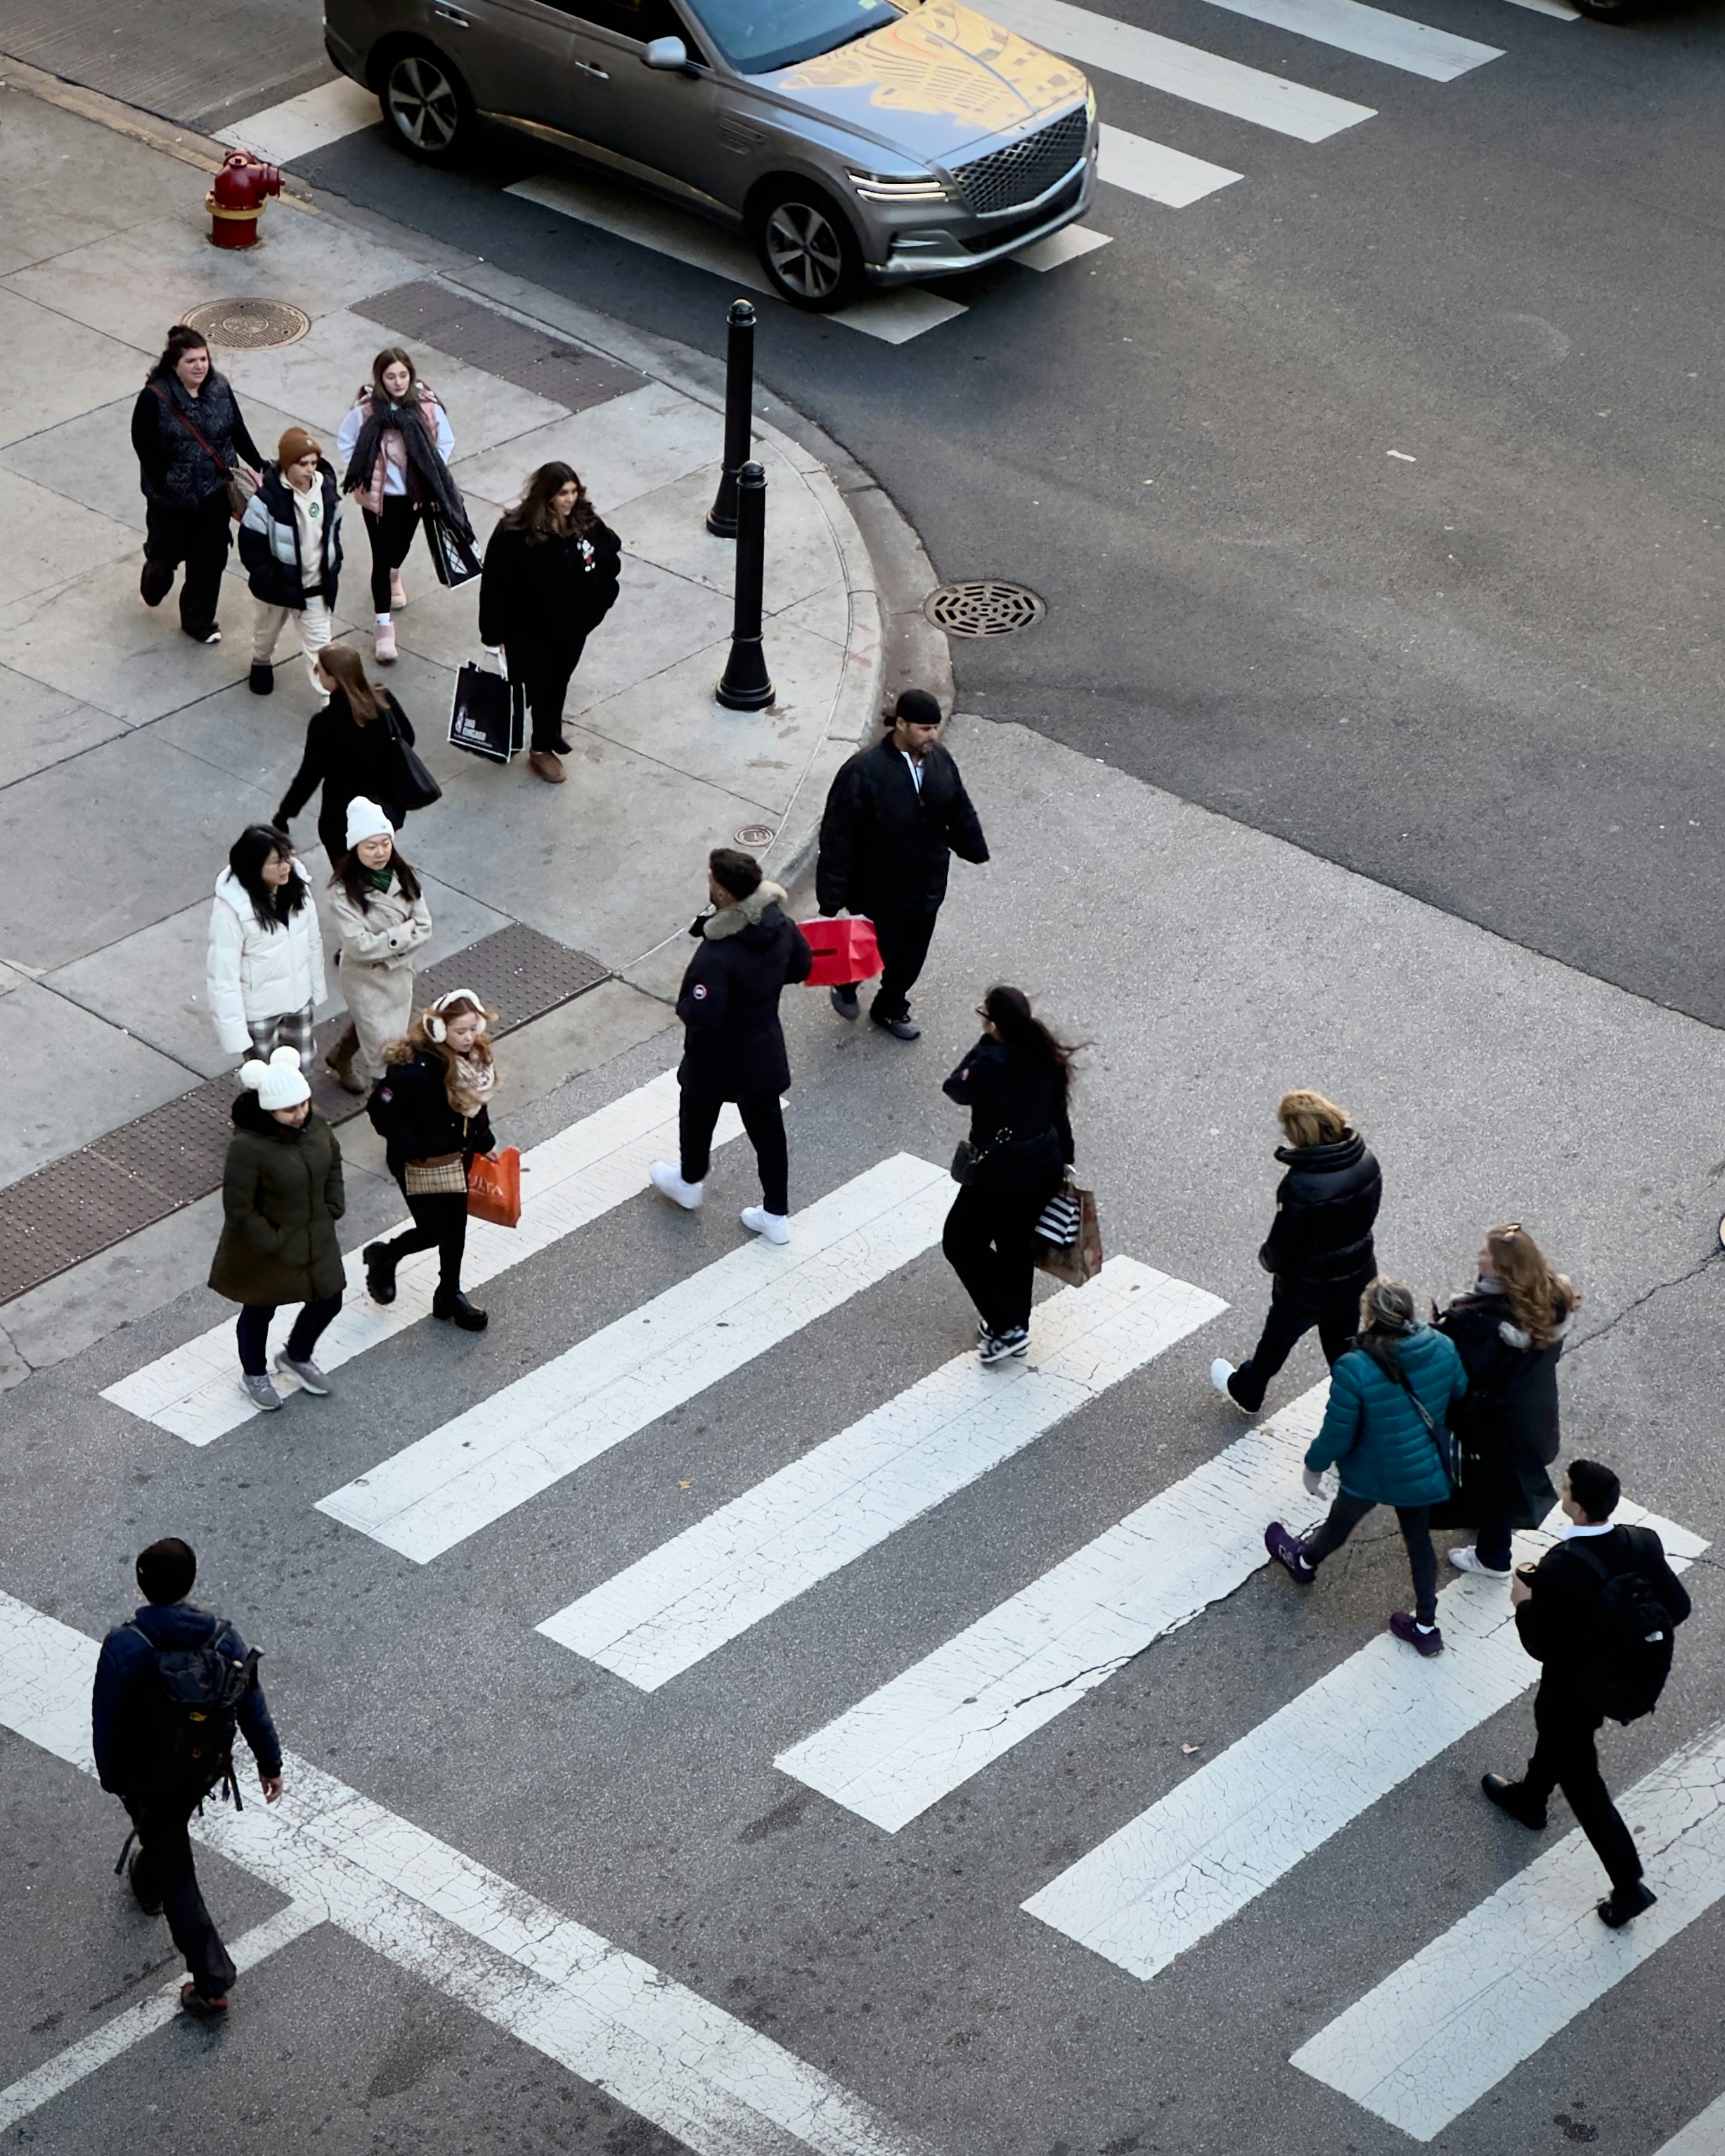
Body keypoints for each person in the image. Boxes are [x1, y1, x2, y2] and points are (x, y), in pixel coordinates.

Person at [1482, 1460, 1691, 1928]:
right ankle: (1530, 1799)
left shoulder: (1562, 1567)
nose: (1561, 1489)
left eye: (1566, 1487)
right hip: (1609, 1683)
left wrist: (1523, 1604)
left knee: (1584, 1787)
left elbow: (1542, 1644)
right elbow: (1678, 1606)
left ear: (1576, 1506)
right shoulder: (1642, 1542)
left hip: (1571, 1691)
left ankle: (1628, 1886)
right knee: (1559, 1744)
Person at [92, 1537, 283, 2020]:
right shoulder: (223, 1639)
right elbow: (251, 1705)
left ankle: (212, 1983)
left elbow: (107, 1722)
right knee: (164, 1839)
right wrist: (270, 1764)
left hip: (145, 1778)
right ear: (190, 1581)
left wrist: (114, 1779)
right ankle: (146, 1880)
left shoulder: (125, 1646)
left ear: (142, 1585)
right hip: (202, 1767)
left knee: (174, 1864)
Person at [1265, 1277, 1468, 1656]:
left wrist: (1314, 1466)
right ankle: (1426, 1626)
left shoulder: (1355, 1367)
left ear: (1371, 1317)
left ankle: (1303, 1561)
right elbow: (1458, 1391)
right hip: (1419, 1469)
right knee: (1419, 1541)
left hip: (1369, 1472)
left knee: (1338, 1527)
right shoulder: (1442, 1345)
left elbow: (1337, 1433)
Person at [649, 849, 812, 1245]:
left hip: (715, 1058)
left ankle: (689, 1181)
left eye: (712, 879)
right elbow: (802, 966)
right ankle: (775, 1214)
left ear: (722, 893)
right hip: (762, 1053)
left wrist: (684, 1006)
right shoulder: (780, 925)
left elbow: (702, 1013)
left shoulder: (717, 955)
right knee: (769, 1134)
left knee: (697, 1114)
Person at [814, 689, 989, 1042]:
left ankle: (890, 1007)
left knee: (911, 957)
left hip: (928, 883)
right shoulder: (863, 772)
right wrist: (831, 897)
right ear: (901, 724)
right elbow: (837, 835)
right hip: (881, 887)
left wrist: (974, 847)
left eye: (935, 728)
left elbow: (958, 807)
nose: (932, 736)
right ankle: (846, 981)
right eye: (925, 728)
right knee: (876, 947)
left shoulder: (940, 761)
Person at [1211, 1089, 1382, 1415]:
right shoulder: (1366, 1161)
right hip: (1354, 1278)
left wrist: (1268, 1259)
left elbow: (1282, 1246)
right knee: (1342, 1350)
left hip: (1305, 1289)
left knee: (1275, 1343)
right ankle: (1359, 1412)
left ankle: (1249, 1390)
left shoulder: (1302, 1185)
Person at [941, 985, 1076, 1364]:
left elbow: (955, 1087)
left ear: (994, 1023)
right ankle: (1014, 1320)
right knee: (1014, 1245)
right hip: (1044, 1168)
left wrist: (985, 1043)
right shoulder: (1043, 1052)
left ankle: (1007, 1328)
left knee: (960, 1242)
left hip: (999, 1175)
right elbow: (1058, 1112)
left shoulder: (991, 1062)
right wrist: (1066, 1159)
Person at [1433, 1224, 1577, 1578]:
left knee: (1493, 1485)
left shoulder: (1480, 1324)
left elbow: (1460, 1371)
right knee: (1504, 1481)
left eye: (1486, 1253)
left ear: (1502, 1270)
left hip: (1496, 1422)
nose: (1479, 1255)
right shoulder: (1552, 1299)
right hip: (1534, 1413)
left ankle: (1493, 1558)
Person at [208, 1048, 346, 1409]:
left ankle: (297, 1355)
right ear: (269, 1109)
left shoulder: (315, 1123)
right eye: (289, 1109)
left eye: (303, 1104)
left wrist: (334, 1203)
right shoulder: (247, 1147)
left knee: (329, 1299)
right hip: (268, 1249)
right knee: (259, 1311)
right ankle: (253, 1374)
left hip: (315, 1235)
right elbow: (239, 1207)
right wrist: (274, 1240)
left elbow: (333, 1160)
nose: (300, 1114)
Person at [477, 461, 623, 786]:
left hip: (571, 629)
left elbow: (610, 553)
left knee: (555, 685)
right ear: (546, 496)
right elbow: (495, 583)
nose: (570, 500)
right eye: (562, 494)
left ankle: (543, 746)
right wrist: (492, 633)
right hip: (528, 629)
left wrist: (600, 597)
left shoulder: (584, 522)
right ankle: (508, 734)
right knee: (528, 684)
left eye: (573, 492)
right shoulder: (515, 533)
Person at [364, 989, 499, 1329]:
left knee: (455, 1228)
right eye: (460, 1031)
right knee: (433, 1230)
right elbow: (381, 1111)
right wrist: (416, 1150)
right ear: (438, 1030)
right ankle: (385, 1255)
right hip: (419, 1163)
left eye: (473, 1028)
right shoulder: (411, 1070)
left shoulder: (473, 1059)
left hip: (457, 1156)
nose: (469, 1037)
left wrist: (483, 1141)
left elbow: (475, 1104)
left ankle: (449, 1293)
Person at [131, 324, 262, 647]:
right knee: (165, 556)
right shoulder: (155, 397)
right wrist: (164, 481)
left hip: (215, 493)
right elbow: (142, 442)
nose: (200, 366)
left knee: (210, 561)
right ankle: (154, 578)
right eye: (191, 361)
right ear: (175, 365)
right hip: (171, 501)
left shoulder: (220, 386)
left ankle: (198, 622)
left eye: (203, 359)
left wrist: (258, 464)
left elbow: (237, 428)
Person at [335, 347, 463, 665]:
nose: (398, 382)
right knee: (381, 556)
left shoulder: (426, 407)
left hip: (413, 495)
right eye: (391, 376)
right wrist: (363, 467)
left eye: (403, 375)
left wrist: (428, 468)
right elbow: (346, 440)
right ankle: (383, 628)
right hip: (377, 499)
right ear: (380, 379)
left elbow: (445, 441)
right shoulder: (367, 411)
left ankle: (395, 573)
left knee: (400, 548)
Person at [323, 797, 433, 1093]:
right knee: (384, 1050)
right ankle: (386, 1098)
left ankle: (340, 1056)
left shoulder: (404, 876)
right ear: (356, 848)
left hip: (398, 975)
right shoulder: (342, 893)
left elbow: (424, 927)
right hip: (365, 981)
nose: (380, 852)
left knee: (384, 1029)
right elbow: (359, 947)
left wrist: (387, 947)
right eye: (371, 846)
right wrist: (402, 934)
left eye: (385, 844)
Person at [274, 642, 417, 869]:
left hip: (342, 816)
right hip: (386, 807)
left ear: (333, 680)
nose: (317, 673)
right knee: (377, 859)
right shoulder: (382, 697)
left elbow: (309, 775)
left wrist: (284, 814)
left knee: (349, 876)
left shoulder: (324, 723)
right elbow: (408, 736)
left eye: (320, 670)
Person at [206, 824, 326, 1068]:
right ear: (254, 865)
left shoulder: (299, 889)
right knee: (263, 1077)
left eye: (287, 858)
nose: (286, 866)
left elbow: (313, 943)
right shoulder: (232, 908)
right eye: (276, 862)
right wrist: (234, 1034)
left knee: (301, 1067)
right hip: (259, 1011)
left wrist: (316, 990)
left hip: (298, 1001)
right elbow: (223, 976)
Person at [238, 425, 342, 696]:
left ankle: (329, 707)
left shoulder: (327, 493)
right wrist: (269, 577)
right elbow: (250, 546)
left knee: (322, 653)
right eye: (303, 464)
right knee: (266, 633)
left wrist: (333, 565)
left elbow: (334, 534)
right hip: (275, 589)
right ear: (287, 464)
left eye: (314, 463)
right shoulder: (266, 501)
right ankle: (261, 662)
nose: (310, 470)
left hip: (315, 588)